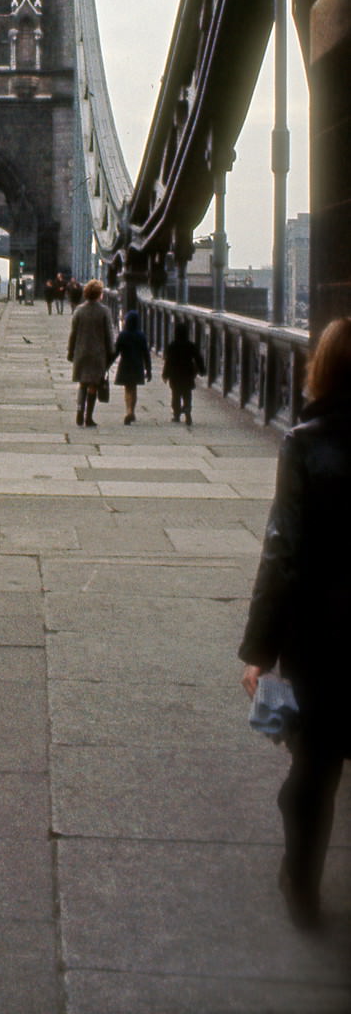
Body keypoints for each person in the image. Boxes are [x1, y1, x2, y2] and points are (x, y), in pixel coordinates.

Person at [239, 317, 351, 929]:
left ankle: (303, 890)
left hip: (325, 641)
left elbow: (282, 552)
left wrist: (259, 649)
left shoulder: (304, 444)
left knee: (313, 773)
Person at [67, 277, 115, 428]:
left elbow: (73, 333)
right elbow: (109, 335)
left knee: (82, 383)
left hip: (81, 352)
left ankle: (79, 411)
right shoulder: (104, 312)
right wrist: (111, 353)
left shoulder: (79, 311)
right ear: (100, 294)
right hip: (98, 354)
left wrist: (70, 351)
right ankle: (89, 417)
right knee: (93, 385)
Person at [162, 321, 206, 426]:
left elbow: (168, 362)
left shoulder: (172, 346)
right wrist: (202, 370)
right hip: (188, 374)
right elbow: (198, 358)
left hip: (175, 375)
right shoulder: (191, 345)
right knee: (187, 393)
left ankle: (176, 415)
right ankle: (187, 408)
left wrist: (165, 374)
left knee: (175, 395)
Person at [112, 309, 151, 424]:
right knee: (133, 389)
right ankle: (131, 410)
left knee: (127, 389)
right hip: (137, 365)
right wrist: (148, 369)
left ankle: (128, 410)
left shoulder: (122, 335)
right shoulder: (141, 336)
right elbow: (146, 354)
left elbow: (116, 352)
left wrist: (107, 364)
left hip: (125, 365)